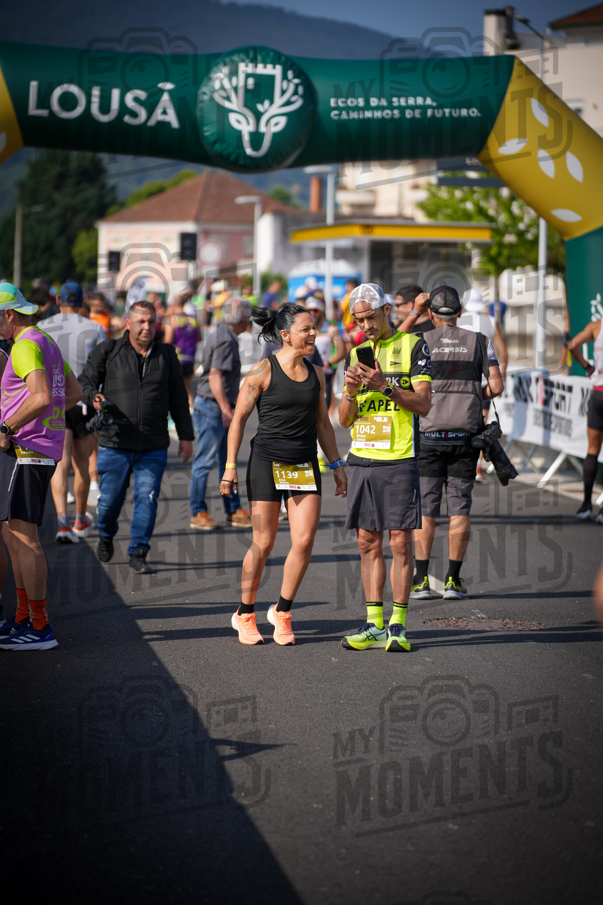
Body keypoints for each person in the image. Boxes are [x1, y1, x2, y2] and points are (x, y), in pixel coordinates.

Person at [221, 303, 347, 646]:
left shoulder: (317, 374)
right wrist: (230, 466)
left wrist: (336, 466)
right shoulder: (262, 371)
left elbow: (323, 424)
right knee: (263, 542)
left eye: (313, 328)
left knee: (304, 541)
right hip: (265, 464)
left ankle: (282, 611)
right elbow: (238, 422)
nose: (312, 334)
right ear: (285, 334)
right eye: (305, 329)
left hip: (303, 465)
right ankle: (245, 613)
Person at [338, 283, 432, 653]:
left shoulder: (413, 345)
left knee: (399, 542)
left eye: (371, 317)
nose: (366, 325)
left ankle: (398, 624)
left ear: (388, 310)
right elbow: (344, 420)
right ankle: (373, 623)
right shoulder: (357, 353)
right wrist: (348, 391)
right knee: (366, 541)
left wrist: (386, 387)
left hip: (399, 457)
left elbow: (423, 405)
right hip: (363, 457)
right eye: (359, 320)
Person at [79, 300, 193, 573]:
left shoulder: (167, 354)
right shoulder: (109, 350)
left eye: (151, 322)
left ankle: (138, 551)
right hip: (115, 441)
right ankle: (106, 535)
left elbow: (178, 398)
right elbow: (85, 381)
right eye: (141, 322)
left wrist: (186, 435)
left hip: (152, 444)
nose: (146, 327)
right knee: (108, 503)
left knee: (147, 496)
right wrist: (93, 396)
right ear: (128, 324)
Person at [0, 282, 83, 650]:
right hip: (38, 449)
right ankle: (23, 617)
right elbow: (74, 393)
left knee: (25, 539)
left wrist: (9, 426)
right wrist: (47, 422)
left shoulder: (23, 346)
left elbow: (43, 396)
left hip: (26, 450)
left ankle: (40, 625)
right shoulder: (44, 339)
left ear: (8, 314)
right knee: (14, 537)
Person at [410, 286, 504, 601]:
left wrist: (413, 314)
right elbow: (496, 387)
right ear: (461, 313)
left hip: (429, 434)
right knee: (460, 507)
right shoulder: (480, 341)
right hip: (466, 435)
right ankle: (452, 581)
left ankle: (421, 581)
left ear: (431, 314)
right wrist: (476, 393)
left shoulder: (419, 342)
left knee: (426, 509)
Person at [43, 281, 106, 543]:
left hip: (55, 401)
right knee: (82, 465)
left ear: (58, 300)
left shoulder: (43, 327)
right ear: (82, 303)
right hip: (83, 401)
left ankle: (62, 522)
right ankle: (81, 519)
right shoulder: (95, 328)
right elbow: (102, 368)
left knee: (60, 465)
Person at [189, 298, 253, 532]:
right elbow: (215, 376)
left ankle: (232, 508)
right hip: (213, 407)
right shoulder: (226, 339)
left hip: (212, 405)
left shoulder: (222, 333)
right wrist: (227, 410)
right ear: (245, 319)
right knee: (205, 462)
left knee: (227, 460)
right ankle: (198, 511)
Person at [459, 288, 509, 483]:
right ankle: (477, 467)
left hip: (461, 381)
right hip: (483, 382)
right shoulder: (490, 321)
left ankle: (460, 462)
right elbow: (503, 353)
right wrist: (499, 378)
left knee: (459, 420)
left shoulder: (458, 321)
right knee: (481, 423)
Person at [569, 317, 603, 521]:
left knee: (592, 450)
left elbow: (572, 345)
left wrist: (587, 367)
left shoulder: (596, 325)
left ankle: (585, 506)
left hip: (598, 394)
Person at [163, 293, 200, 407]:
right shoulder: (192, 318)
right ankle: (190, 411)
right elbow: (199, 337)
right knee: (188, 387)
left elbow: (168, 340)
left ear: (173, 304)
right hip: (190, 357)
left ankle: (175, 417)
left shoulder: (173, 319)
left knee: (173, 387)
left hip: (177, 357)